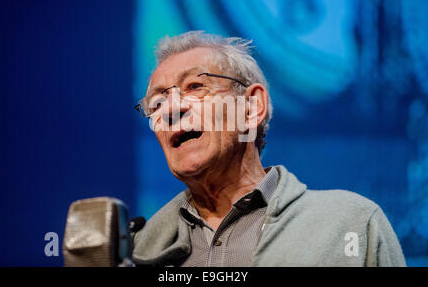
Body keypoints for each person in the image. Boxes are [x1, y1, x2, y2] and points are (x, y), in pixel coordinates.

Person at [132, 31, 406, 267]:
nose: (170, 110)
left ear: (252, 108)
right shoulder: (136, 251)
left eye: (195, 87)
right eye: (156, 103)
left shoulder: (351, 225)